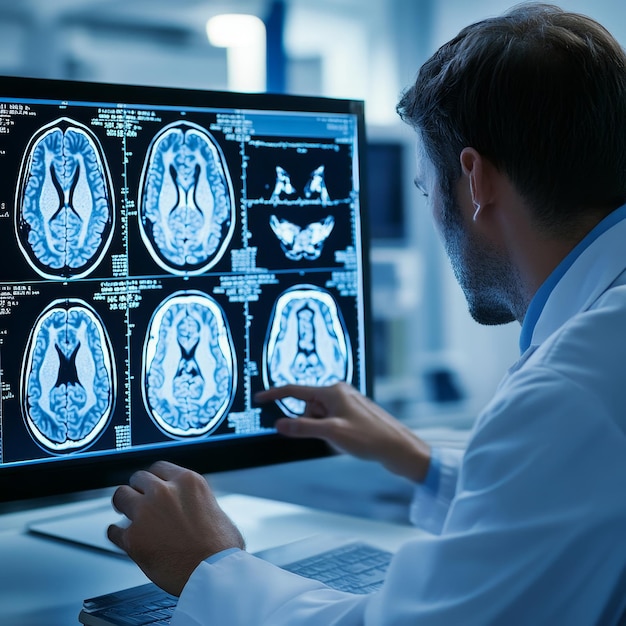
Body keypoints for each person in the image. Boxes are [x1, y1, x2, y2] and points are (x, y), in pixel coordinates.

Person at [107, 3, 626, 623]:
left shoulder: (571, 390)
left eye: (424, 187)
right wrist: (422, 460)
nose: (432, 211)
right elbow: (565, 507)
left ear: (475, 179)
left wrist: (207, 568)